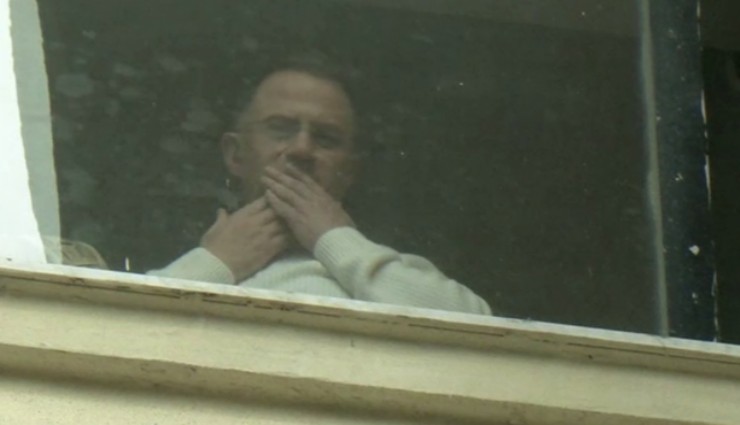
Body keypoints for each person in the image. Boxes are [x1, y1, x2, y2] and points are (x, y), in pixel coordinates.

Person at [149, 55, 491, 315]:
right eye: (281, 128)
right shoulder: (205, 268)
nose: (301, 149)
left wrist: (335, 239)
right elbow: (121, 327)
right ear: (236, 155)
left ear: (350, 170)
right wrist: (217, 262)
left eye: (325, 138)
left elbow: (480, 330)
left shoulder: (385, 273)